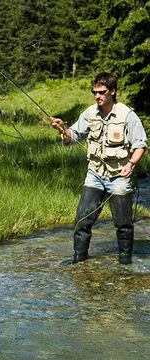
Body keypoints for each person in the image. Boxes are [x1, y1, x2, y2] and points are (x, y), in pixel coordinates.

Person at [51, 72, 147, 265]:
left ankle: (125, 264)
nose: (97, 96)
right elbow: (73, 136)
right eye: (95, 92)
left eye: (101, 92)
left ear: (112, 91)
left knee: (123, 224)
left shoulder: (127, 115)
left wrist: (131, 164)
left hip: (119, 176)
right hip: (94, 173)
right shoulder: (89, 113)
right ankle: (79, 262)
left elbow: (141, 144)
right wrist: (63, 130)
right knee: (82, 221)